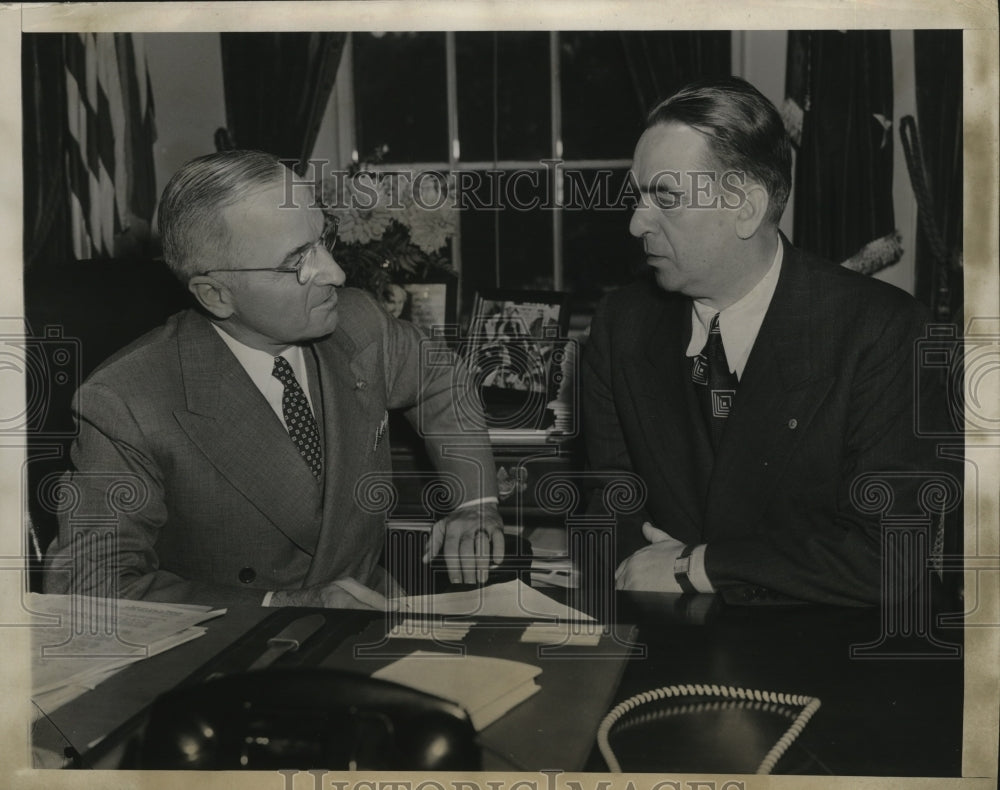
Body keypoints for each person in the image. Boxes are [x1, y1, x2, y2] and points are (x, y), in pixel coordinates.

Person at [43, 150, 504, 608]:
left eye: (324, 239)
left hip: (370, 618)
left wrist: (473, 504)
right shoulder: (127, 400)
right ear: (216, 294)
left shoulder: (359, 323)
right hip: (237, 653)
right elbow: (89, 589)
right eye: (296, 262)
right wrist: (285, 604)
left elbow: (442, 378)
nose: (336, 272)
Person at [582, 76, 949, 606]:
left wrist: (698, 565)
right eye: (638, 196)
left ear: (746, 207)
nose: (638, 223)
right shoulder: (621, 323)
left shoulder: (887, 331)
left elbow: (890, 556)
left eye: (665, 197)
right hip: (673, 637)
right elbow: (611, 506)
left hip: (842, 649)